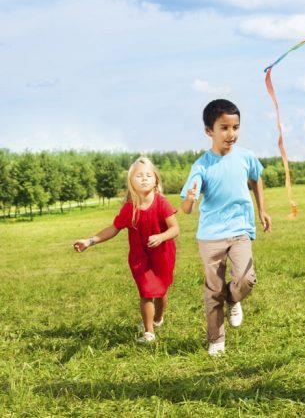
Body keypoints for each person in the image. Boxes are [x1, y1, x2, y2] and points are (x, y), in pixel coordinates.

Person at [180, 98, 272, 357]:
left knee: (245, 278)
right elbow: (187, 209)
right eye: (224, 128)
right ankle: (216, 339)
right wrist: (189, 198)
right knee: (213, 289)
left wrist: (262, 209)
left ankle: (233, 299)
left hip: (240, 229)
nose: (231, 134)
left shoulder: (246, 157)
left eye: (236, 127)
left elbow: (256, 179)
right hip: (210, 236)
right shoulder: (201, 166)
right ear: (209, 131)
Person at [73, 157, 179, 344]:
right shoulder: (129, 209)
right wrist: (90, 241)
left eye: (148, 175)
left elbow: (175, 229)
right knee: (146, 292)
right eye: (139, 175)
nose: (144, 178)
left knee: (160, 292)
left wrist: (161, 237)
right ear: (131, 182)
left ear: (156, 180)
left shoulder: (162, 203)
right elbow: (113, 229)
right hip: (140, 257)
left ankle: (158, 318)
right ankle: (149, 332)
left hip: (162, 254)